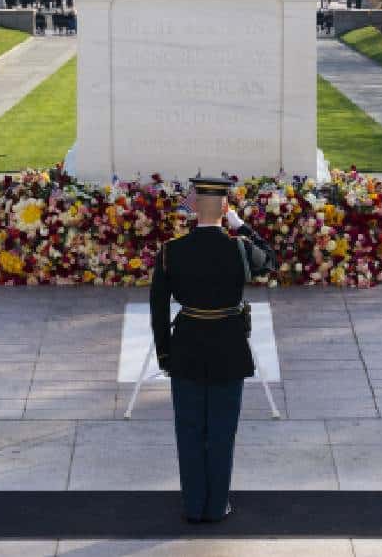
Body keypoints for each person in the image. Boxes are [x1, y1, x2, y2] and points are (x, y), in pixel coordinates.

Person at [149, 176, 276, 523]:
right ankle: (216, 504)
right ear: (224, 208)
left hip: (187, 347)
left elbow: (158, 310)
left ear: (194, 210)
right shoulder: (239, 247)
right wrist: (243, 226)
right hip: (228, 347)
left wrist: (164, 355)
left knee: (189, 431)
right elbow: (272, 260)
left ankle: (193, 505)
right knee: (221, 431)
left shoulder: (170, 251)